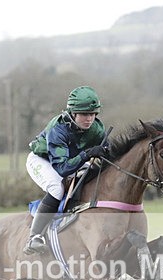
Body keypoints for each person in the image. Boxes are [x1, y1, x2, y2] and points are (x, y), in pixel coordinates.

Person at [23, 86, 108, 254]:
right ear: (73, 113)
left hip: (69, 159)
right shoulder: (58, 129)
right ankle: (35, 236)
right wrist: (87, 154)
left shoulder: (97, 129)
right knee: (57, 188)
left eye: (92, 114)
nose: (89, 119)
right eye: (84, 114)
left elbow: (107, 156)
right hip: (43, 160)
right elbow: (62, 168)